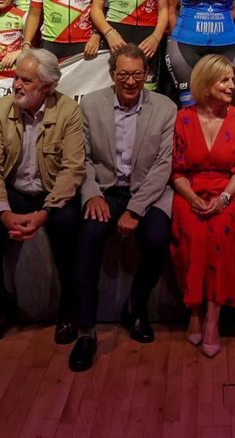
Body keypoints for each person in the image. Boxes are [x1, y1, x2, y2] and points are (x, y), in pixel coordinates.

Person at [0, 49, 87, 344]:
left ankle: (69, 308)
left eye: (26, 81)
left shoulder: (68, 110)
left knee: (69, 225)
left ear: (47, 86)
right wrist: (4, 213)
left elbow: (73, 169)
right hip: (15, 191)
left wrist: (45, 212)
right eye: (16, 78)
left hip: (52, 192)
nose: (16, 85)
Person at [69, 45, 177, 371]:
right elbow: (81, 159)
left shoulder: (165, 107)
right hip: (105, 190)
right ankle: (86, 332)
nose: (130, 81)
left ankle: (136, 305)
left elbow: (164, 165)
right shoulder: (89, 104)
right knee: (87, 239)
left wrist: (137, 209)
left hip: (150, 192)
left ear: (148, 74)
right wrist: (91, 195)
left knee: (159, 239)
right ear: (112, 74)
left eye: (137, 74)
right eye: (123, 74)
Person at [170, 54, 235, 357]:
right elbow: (176, 171)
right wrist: (192, 199)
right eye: (225, 80)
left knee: (220, 233)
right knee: (193, 232)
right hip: (189, 191)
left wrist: (223, 199)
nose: (232, 85)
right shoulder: (183, 118)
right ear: (206, 85)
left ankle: (212, 319)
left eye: (233, 79)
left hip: (228, 194)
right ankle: (194, 310)